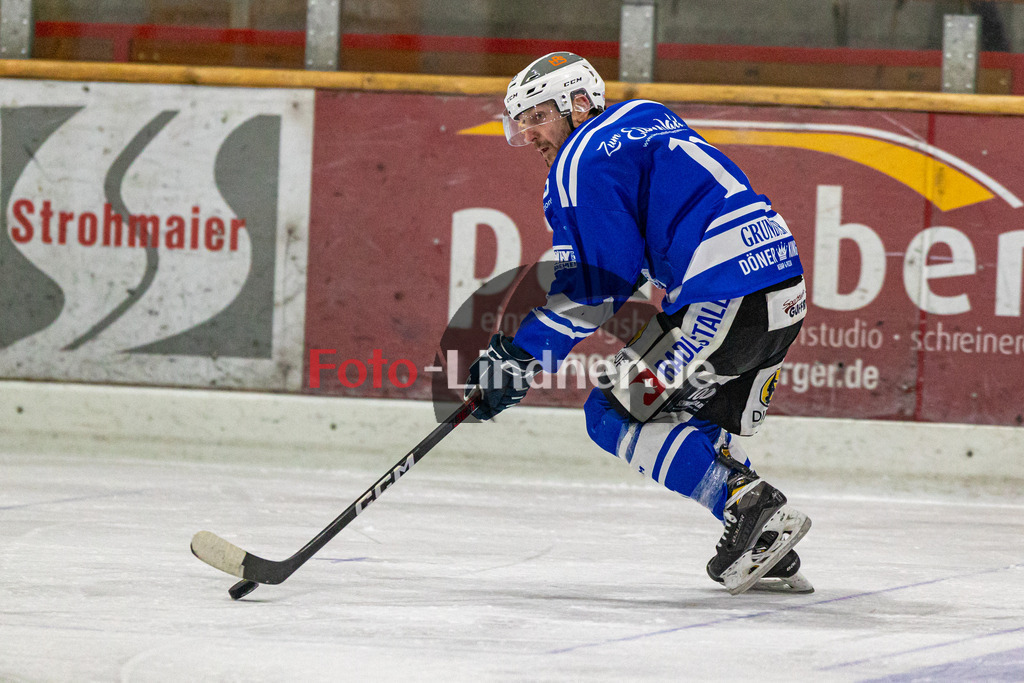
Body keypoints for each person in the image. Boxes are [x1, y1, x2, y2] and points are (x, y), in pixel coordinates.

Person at [464, 52, 812, 595]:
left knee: (611, 411)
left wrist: (520, 355)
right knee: (692, 421)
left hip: (723, 297)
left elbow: (603, 280)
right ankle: (767, 545)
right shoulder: (646, 115)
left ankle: (750, 507)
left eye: (537, 116)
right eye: (521, 122)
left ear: (578, 104)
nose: (529, 134)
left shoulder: (578, 160)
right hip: (781, 292)